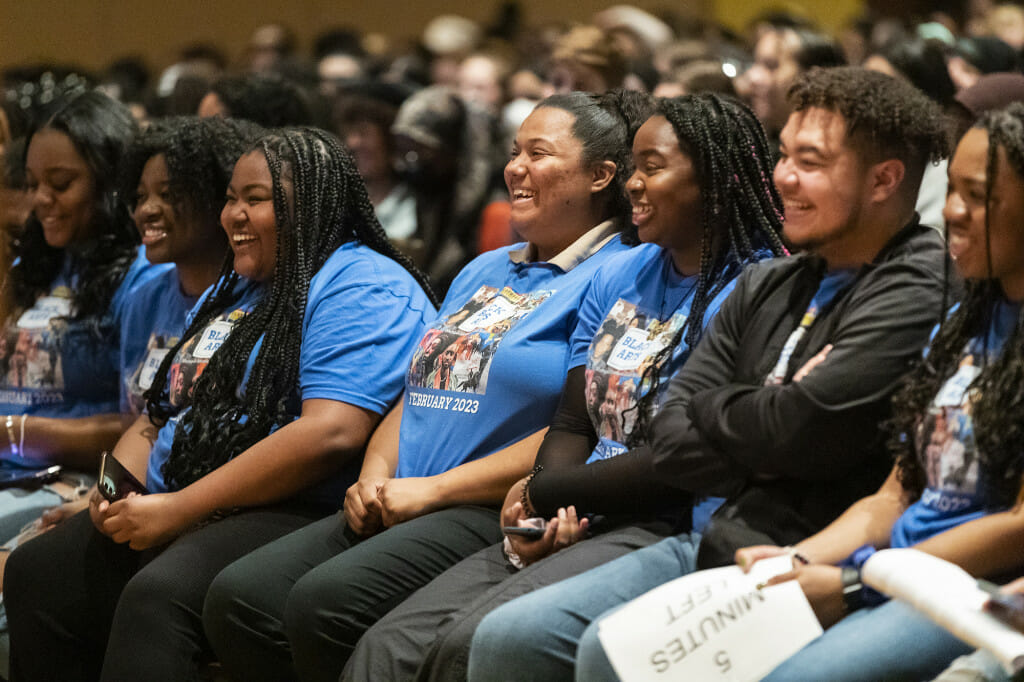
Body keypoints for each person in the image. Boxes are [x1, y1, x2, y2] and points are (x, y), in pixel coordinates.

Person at [465, 65, 951, 682]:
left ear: (884, 179)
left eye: (811, 161)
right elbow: (672, 431)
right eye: (783, 156)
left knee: (599, 651)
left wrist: (728, 417)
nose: (784, 178)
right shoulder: (769, 281)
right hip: (711, 534)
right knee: (510, 639)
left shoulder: (916, 285)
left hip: (804, 550)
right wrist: (753, 420)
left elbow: (801, 431)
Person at [341, 92, 788, 682]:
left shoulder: (752, 289)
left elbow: (681, 459)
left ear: (712, 182)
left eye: (651, 168)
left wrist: (550, 495)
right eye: (632, 167)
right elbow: (576, 421)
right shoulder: (622, 274)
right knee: (389, 648)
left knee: (469, 649)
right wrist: (542, 504)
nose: (632, 184)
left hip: (660, 517)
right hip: (573, 503)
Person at [202, 90, 645, 682]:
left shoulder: (616, 272)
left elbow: (576, 425)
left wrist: (433, 491)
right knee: (241, 597)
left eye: (539, 154)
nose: (515, 168)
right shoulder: (485, 267)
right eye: (514, 152)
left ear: (601, 175)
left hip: (481, 501)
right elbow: (416, 390)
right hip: (402, 492)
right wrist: (373, 477)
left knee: (321, 602)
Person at [2, 127, 437, 682]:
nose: (233, 214)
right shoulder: (234, 289)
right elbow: (160, 409)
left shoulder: (364, 284)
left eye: (255, 200)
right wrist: (120, 492)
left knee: (158, 594)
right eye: (231, 198)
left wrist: (178, 510)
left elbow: (330, 433)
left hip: (296, 507)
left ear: (314, 203)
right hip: (184, 498)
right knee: (40, 572)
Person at [735, 100, 1024, 682]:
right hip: (890, 568)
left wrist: (855, 580)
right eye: (953, 191)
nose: (953, 212)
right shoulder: (966, 321)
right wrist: (800, 560)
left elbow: (1020, 522)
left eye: (979, 196)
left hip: (974, 588)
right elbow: (894, 497)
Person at [0, 91, 153, 540]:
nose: (41, 200)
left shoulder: (144, 276)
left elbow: (143, 426)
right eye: (32, 184)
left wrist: (14, 432)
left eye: (60, 183)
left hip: (68, 482)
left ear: (109, 184)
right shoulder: (37, 263)